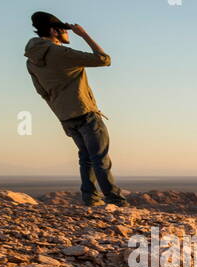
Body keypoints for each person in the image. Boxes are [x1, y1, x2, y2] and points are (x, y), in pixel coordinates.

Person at [24, 11, 126, 206]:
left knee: (86, 157)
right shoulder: (60, 52)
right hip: (85, 112)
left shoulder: (31, 61)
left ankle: (90, 198)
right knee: (99, 158)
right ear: (54, 31)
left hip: (66, 116)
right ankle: (115, 200)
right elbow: (104, 59)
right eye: (65, 30)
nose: (68, 34)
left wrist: (62, 112)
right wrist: (84, 34)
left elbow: (42, 92)